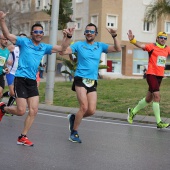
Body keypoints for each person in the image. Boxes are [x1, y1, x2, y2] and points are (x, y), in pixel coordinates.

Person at [0, 11, 74, 146]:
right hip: (20, 79)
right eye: (36, 32)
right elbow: (7, 35)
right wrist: (2, 20)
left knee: (34, 110)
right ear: (31, 33)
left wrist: (68, 36)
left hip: (32, 81)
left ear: (43, 34)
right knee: (21, 111)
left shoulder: (44, 47)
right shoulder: (24, 42)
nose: (38, 34)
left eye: (41, 32)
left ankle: (22, 136)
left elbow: (62, 48)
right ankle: (3, 108)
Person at [62, 23, 121, 143]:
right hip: (80, 78)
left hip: (92, 80)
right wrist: (67, 37)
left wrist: (114, 35)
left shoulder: (100, 46)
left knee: (91, 110)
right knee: (84, 107)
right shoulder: (79, 45)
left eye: (92, 31)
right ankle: (74, 132)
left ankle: (74, 117)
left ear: (96, 34)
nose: (89, 33)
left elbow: (118, 49)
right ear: (84, 33)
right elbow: (63, 51)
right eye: (87, 31)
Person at [127, 30, 170, 129]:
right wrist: (133, 40)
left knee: (148, 99)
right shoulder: (152, 46)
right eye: (161, 38)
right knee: (157, 96)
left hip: (159, 76)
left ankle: (132, 112)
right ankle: (159, 122)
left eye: (165, 38)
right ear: (157, 38)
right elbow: (141, 46)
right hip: (151, 74)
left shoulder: (167, 49)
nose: (163, 40)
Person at [3, 33, 27, 109]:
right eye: (21, 38)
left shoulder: (27, 51)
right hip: (11, 72)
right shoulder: (13, 47)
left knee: (15, 93)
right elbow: (2, 54)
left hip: (19, 74)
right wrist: (7, 61)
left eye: (24, 39)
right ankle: (6, 100)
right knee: (13, 92)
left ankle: (7, 107)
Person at [0, 33, 10, 101]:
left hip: (1, 74)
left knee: (0, 93)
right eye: (4, 39)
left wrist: (6, 68)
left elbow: (3, 63)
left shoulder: (7, 51)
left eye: (7, 39)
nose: (6, 41)